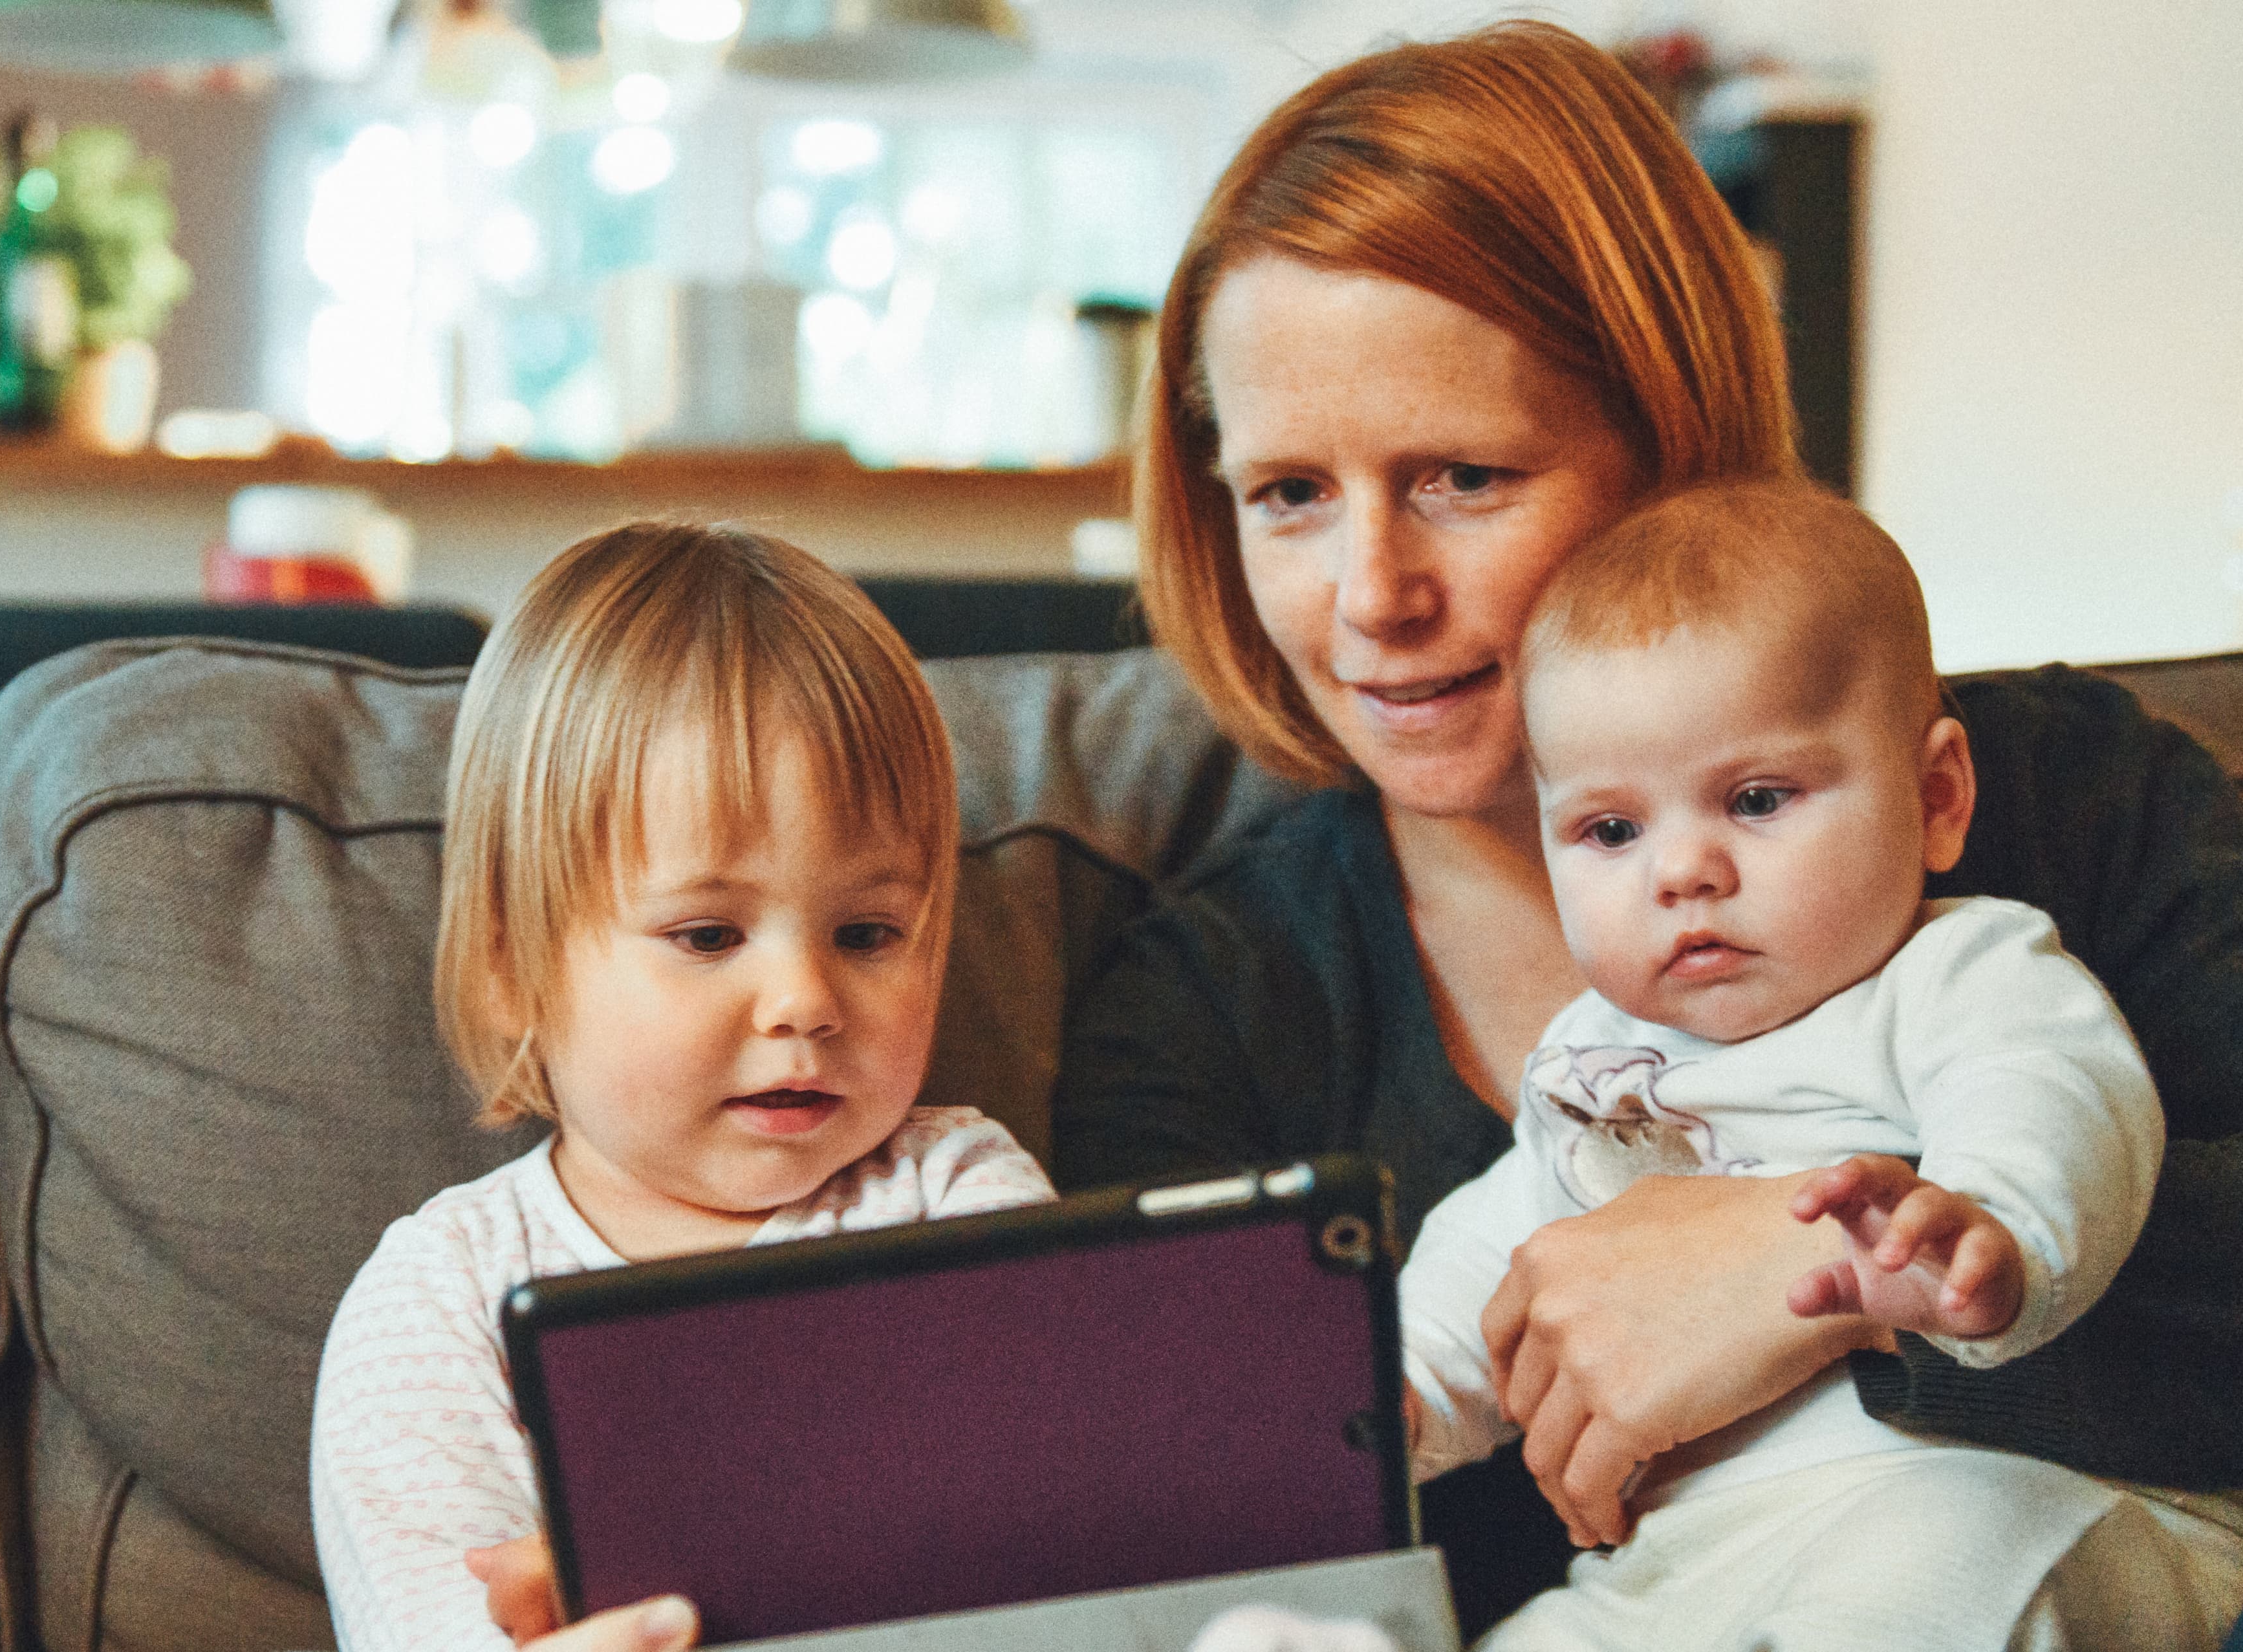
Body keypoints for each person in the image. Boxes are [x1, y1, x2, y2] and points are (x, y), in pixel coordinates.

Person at [1045, 16, 2243, 1640]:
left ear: (1667, 436)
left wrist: (1803, 1275)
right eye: (1289, 494)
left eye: (1463, 476)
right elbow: (1202, 1521)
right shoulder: (1203, 1013)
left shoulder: (2064, 799)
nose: (1372, 598)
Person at [1391, 477, 2238, 1647]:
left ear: (1937, 798)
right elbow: (1510, 1249)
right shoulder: (1594, 1053)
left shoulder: (1960, 971)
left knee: (1920, 1593)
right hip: (1694, 1552)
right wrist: (1396, 1396)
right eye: (1610, 830)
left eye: (1755, 799)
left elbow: (2053, 1096)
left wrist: (1987, 1234)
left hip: (1998, 1491)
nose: (1680, 871)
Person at [310, 522, 1056, 1652]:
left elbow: (1070, 1541)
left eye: (868, 931)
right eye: (708, 934)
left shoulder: (957, 1198)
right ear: (514, 968)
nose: (804, 998)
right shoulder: (442, 1301)